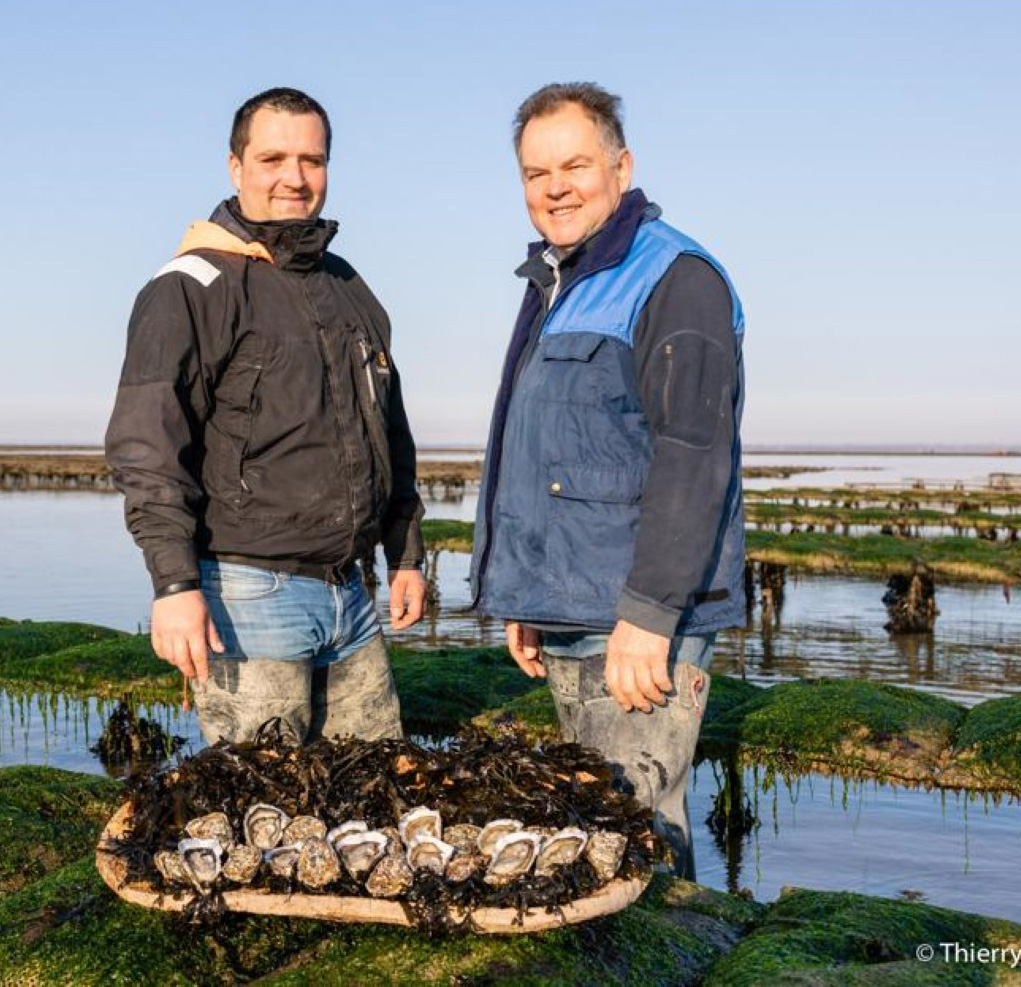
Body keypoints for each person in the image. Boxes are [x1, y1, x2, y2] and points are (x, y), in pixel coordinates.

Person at [470, 82, 745, 879]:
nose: (554, 186)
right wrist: (527, 594)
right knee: (593, 834)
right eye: (534, 172)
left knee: (639, 842)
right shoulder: (560, 282)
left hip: (633, 628)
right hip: (575, 611)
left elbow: (694, 457)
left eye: (575, 165)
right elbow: (551, 453)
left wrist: (652, 615)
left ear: (620, 168)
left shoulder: (675, 276)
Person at [106, 87, 426, 746]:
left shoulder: (347, 287)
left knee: (378, 812)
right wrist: (173, 583)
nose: (294, 177)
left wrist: (407, 552)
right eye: (273, 157)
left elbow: (388, 429)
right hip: (249, 595)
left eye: (311, 159)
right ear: (235, 167)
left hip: (351, 597)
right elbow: (147, 447)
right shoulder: (190, 286)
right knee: (266, 820)